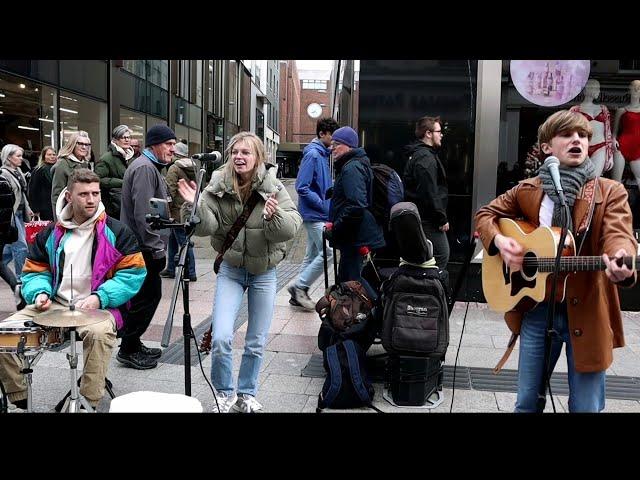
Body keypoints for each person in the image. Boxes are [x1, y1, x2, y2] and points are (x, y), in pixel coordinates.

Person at [474, 110, 637, 413]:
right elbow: (485, 215)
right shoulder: (528, 189)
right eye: (567, 134)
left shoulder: (609, 190)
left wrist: (619, 258)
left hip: (589, 308)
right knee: (526, 404)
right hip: (537, 309)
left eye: (584, 136)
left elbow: (619, 233)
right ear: (547, 148)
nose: (577, 139)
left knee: (585, 408)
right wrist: (499, 241)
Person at [0, 168, 146, 410]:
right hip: (54, 303)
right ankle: (20, 394)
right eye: (84, 194)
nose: (91, 200)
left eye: (95, 193)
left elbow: (133, 273)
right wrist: (40, 293)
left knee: (99, 334)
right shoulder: (51, 232)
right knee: (3, 333)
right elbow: (35, 270)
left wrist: (100, 297)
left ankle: (87, 402)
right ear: (68, 196)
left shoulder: (118, 231)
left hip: (99, 305)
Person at [178, 132, 302, 413]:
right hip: (231, 270)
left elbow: (292, 228)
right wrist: (194, 206)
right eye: (235, 152)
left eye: (246, 152)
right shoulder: (217, 185)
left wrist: (274, 217)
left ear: (258, 157)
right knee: (221, 336)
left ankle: (247, 394)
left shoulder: (273, 187)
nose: (239, 157)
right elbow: (205, 228)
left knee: (255, 340)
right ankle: (224, 393)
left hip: (264, 272)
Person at [117, 125, 175, 369]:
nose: (173, 149)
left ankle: (132, 343)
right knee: (148, 296)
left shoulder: (149, 167)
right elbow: (143, 213)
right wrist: (156, 247)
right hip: (142, 247)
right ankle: (128, 348)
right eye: (169, 144)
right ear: (155, 145)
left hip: (144, 245)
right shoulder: (144, 168)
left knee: (147, 295)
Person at [288, 117, 339, 309]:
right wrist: (324, 206)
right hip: (315, 214)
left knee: (312, 255)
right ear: (321, 134)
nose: (334, 140)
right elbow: (302, 187)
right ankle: (299, 287)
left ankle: (298, 293)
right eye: (332, 136)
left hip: (317, 214)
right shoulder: (313, 155)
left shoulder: (322, 155)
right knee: (329, 252)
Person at [328, 126, 384, 300]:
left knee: (352, 280)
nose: (332, 148)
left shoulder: (352, 168)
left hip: (355, 236)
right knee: (347, 278)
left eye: (336, 144)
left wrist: (336, 227)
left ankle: (378, 312)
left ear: (348, 146)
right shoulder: (354, 165)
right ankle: (355, 317)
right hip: (354, 235)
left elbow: (356, 205)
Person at [403, 116, 450, 270]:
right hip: (428, 219)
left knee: (425, 259)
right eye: (439, 131)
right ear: (428, 134)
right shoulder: (425, 158)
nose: (441, 134)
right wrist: (441, 218)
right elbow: (429, 192)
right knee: (441, 255)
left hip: (421, 217)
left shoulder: (420, 154)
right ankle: (434, 291)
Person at [162, 141, 197, 281]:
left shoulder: (174, 168)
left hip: (176, 210)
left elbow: (169, 189)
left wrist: (166, 208)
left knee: (183, 241)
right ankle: (170, 268)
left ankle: (191, 271)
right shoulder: (193, 166)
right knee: (173, 239)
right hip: (188, 208)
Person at [569, 78, 619, 178]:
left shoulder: (603, 109)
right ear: (589, 89)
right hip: (581, 147)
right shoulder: (575, 110)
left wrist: (609, 156)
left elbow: (608, 132)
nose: (599, 91)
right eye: (597, 88)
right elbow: (569, 133)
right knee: (580, 179)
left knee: (594, 179)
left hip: (600, 147)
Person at [0, 144, 33, 280]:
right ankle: (21, 277)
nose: (21, 159)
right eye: (18, 156)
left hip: (19, 213)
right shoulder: (3, 174)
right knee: (21, 247)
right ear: (9, 157)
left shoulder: (18, 171)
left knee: (8, 249)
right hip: (10, 215)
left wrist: (28, 208)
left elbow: (22, 194)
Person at [95, 125, 135, 219]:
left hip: (128, 202)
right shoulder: (107, 158)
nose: (126, 140)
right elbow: (98, 179)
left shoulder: (131, 158)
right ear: (115, 139)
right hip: (113, 207)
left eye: (128, 137)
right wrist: (123, 182)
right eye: (123, 137)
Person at [51, 131, 92, 216]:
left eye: (87, 144)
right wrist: (59, 220)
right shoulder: (62, 165)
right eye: (80, 144)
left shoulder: (85, 164)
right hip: (69, 214)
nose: (84, 147)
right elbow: (57, 196)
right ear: (72, 144)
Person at [613, 79, 640, 186]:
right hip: (622, 145)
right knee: (616, 182)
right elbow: (614, 131)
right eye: (634, 88)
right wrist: (613, 139)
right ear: (629, 90)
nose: (636, 91)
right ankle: (615, 202)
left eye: (638, 89)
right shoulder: (622, 110)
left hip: (638, 147)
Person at [27, 146, 56, 221]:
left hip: (53, 205)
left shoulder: (56, 169)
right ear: (43, 156)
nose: (52, 157)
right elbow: (33, 190)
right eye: (49, 155)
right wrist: (35, 209)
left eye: (54, 154)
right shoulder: (39, 170)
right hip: (43, 207)